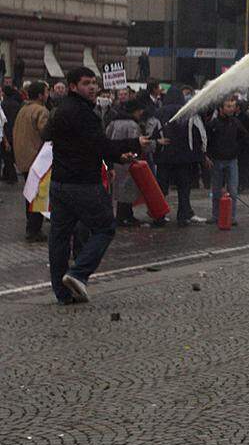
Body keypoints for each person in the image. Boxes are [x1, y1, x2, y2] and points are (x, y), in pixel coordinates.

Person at [42, 67, 154, 304]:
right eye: (86, 83)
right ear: (73, 86)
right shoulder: (83, 113)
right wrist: (136, 142)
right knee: (105, 228)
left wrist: (113, 156)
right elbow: (101, 144)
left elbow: (52, 136)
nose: (92, 87)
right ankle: (78, 273)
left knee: (60, 238)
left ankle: (63, 294)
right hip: (84, 184)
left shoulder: (61, 110)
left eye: (94, 82)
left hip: (60, 183)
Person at [156, 86, 207, 226]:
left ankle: (159, 215)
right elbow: (200, 134)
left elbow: (152, 131)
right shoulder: (188, 112)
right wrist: (202, 152)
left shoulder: (159, 112)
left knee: (161, 188)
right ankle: (183, 216)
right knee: (184, 188)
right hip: (184, 157)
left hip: (164, 157)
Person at [205, 95, 249, 225]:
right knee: (216, 191)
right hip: (217, 161)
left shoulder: (236, 123)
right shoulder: (213, 124)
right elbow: (206, 142)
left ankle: (231, 217)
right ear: (221, 108)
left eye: (233, 106)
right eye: (228, 106)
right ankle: (215, 216)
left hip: (232, 160)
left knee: (233, 191)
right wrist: (206, 156)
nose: (231, 109)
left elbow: (246, 138)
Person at [13, 81, 50, 240]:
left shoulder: (23, 109)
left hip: (23, 158)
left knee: (29, 195)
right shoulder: (41, 110)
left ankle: (31, 226)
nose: (48, 95)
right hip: (37, 159)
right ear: (41, 95)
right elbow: (46, 133)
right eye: (46, 92)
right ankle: (34, 229)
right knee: (38, 196)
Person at [105, 96, 150, 227]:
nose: (141, 113)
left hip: (115, 160)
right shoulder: (133, 125)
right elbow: (135, 144)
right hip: (128, 162)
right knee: (128, 190)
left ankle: (123, 215)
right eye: (139, 110)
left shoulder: (113, 122)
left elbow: (106, 138)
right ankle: (124, 217)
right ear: (135, 111)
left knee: (119, 190)